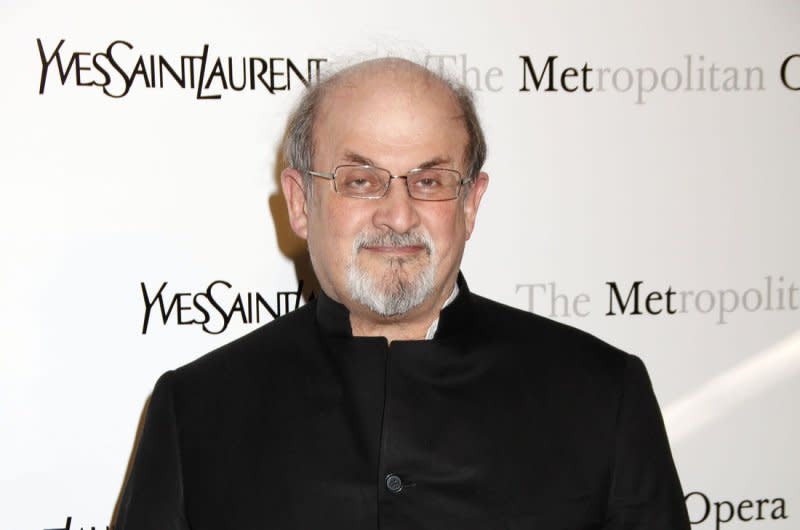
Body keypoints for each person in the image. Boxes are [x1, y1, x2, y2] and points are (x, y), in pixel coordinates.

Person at [115, 57, 690, 530]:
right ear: (299, 202)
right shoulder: (195, 409)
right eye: (360, 180)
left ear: (470, 203)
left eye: (430, 181)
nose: (397, 214)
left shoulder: (602, 395)